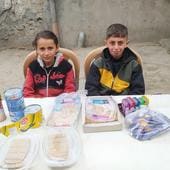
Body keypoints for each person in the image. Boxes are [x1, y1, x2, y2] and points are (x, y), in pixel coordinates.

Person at [85, 23, 145, 96]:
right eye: (112, 43)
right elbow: (90, 88)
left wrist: (125, 103)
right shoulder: (98, 63)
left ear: (126, 43)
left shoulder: (133, 65)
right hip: (102, 102)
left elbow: (138, 90)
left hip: (124, 102)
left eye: (120, 43)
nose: (116, 47)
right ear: (106, 43)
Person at [23, 30, 76, 97]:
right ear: (36, 50)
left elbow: (70, 90)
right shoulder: (32, 67)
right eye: (42, 49)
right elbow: (27, 92)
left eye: (50, 48)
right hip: (39, 103)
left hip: (61, 103)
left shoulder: (66, 67)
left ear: (56, 48)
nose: (46, 53)